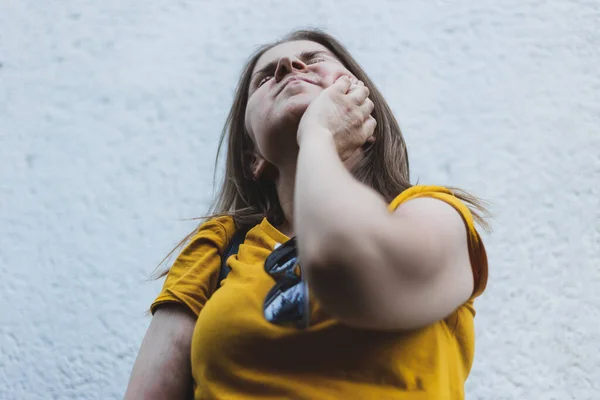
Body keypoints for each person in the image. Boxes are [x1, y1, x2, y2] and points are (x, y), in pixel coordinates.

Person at [124, 28, 489, 400]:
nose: (288, 65)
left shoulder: (434, 213)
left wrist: (319, 137)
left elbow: (344, 265)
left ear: (365, 111)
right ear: (254, 159)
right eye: (264, 78)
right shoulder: (217, 247)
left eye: (314, 60)